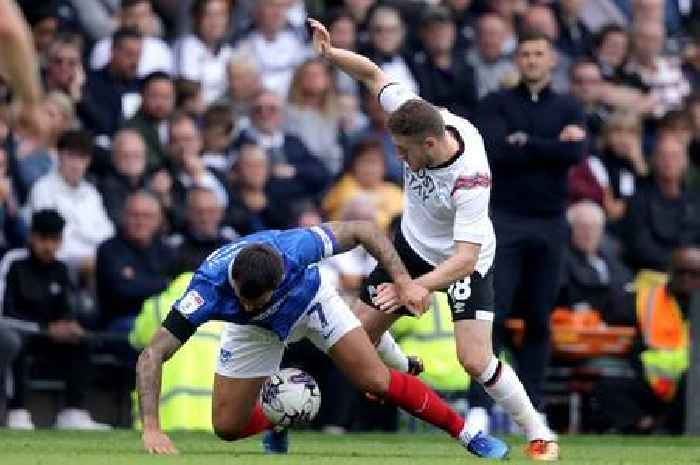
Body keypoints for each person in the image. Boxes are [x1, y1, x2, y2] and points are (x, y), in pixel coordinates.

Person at [307, 19, 557, 460]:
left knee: (475, 360)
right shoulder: (413, 111)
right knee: (354, 344)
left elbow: (465, 257)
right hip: (410, 246)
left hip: (463, 262)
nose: (397, 160)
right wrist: (331, 55)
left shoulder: (470, 179)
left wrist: (413, 287)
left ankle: (539, 432)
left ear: (429, 142)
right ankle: (405, 366)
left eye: (403, 152)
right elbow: (373, 75)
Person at [136, 220, 508, 459]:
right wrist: (151, 427)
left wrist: (404, 281)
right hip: (255, 332)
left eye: (260, 299)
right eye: (244, 300)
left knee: (375, 381)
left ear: (281, 275)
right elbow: (152, 355)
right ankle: (278, 419)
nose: (251, 304)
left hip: (312, 304)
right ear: (233, 284)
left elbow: (365, 231)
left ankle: (469, 435)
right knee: (227, 428)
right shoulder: (204, 291)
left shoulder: (297, 248)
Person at [472, 30, 586, 432]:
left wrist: (527, 144)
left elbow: (574, 154)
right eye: (526, 53)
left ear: (552, 60)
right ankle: (480, 406)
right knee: (494, 313)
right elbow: (497, 151)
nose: (533, 60)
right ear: (516, 60)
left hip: (551, 221)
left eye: (540, 53)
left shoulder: (570, 105)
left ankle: (531, 406)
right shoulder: (496, 103)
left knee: (539, 316)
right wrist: (549, 146)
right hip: (505, 219)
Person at [2, 209, 109, 430]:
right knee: (14, 343)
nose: (49, 246)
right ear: (32, 237)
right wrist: (44, 328)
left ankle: (73, 411)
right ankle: (17, 411)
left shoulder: (60, 269)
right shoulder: (14, 263)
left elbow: (67, 308)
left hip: (50, 338)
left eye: (55, 240)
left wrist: (70, 325)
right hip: (23, 334)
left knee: (82, 341)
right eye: (44, 239)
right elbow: (5, 314)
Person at [590, 246, 700, 434]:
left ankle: (666, 425)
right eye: (681, 272)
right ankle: (644, 424)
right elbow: (609, 312)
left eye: (694, 274)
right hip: (650, 382)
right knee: (606, 387)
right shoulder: (646, 299)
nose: (686, 279)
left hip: (691, 386)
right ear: (669, 272)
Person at [95, 191, 175, 333]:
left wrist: (139, 281)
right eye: (134, 215)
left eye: (147, 216)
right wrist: (164, 283)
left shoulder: (168, 251)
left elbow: (179, 289)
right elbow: (122, 292)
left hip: (162, 318)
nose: (140, 222)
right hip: (121, 321)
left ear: (159, 220)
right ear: (124, 216)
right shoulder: (109, 250)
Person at [558, 201, 632, 318]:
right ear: (570, 229)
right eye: (582, 227)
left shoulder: (612, 254)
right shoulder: (562, 259)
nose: (589, 233)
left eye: (594, 227)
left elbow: (626, 284)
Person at [123, 71, 175, 171]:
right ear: (142, 95)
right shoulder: (132, 129)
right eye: (155, 96)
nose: (161, 103)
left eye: (166, 97)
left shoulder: (178, 123)